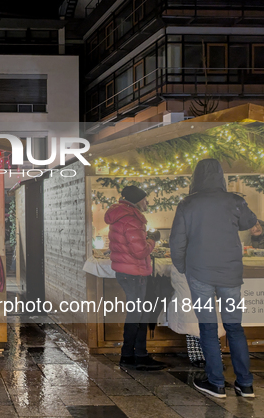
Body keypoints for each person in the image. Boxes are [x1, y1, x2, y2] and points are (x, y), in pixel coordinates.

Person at [170, 159, 258, 398]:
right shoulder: (234, 201)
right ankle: (245, 384)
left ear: (196, 177)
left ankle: (216, 382)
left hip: (199, 274)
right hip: (230, 274)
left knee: (208, 328)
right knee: (234, 327)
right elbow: (250, 222)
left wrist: (182, 267)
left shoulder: (187, 204)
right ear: (221, 176)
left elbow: (177, 241)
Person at [104, 185, 166, 371]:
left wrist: (145, 237)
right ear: (138, 200)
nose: (147, 202)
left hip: (127, 272)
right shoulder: (132, 219)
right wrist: (152, 240)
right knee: (138, 314)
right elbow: (140, 251)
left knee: (139, 313)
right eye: (145, 199)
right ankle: (133, 355)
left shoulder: (120, 216)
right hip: (134, 273)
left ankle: (135, 354)